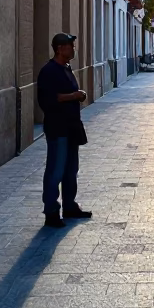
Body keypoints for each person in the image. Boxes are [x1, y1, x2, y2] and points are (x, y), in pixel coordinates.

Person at [36, 33, 93, 229]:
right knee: (55, 170)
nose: (73, 49)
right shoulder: (49, 71)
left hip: (72, 127)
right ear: (60, 49)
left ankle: (69, 206)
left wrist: (78, 95)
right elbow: (48, 99)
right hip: (57, 128)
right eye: (70, 46)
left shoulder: (67, 68)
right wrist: (74, 96)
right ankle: (51, 211)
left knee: (71, 170)